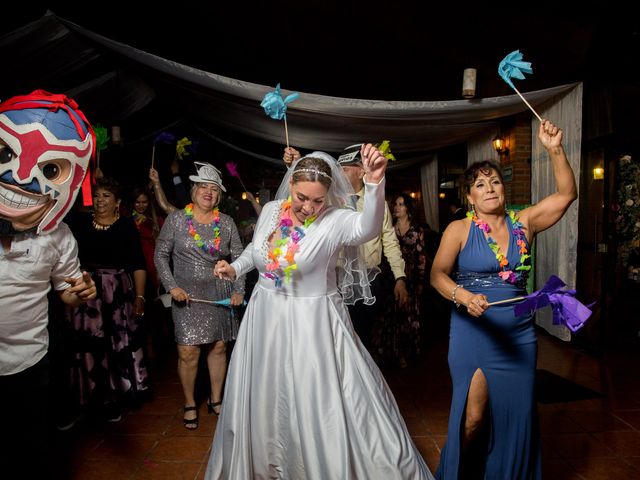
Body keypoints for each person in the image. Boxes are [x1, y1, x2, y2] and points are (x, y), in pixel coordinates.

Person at [207, 145, 433, 479]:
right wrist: (235, 269)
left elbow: (367, 229)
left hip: (313, 324)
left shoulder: (336, 219)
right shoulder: (271, 210)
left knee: (313, 399)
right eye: (301, 198)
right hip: (265, 317)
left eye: (317, 200)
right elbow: (259, 254)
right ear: (291, 185)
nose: (308, 207)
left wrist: (374, 183)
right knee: (266, 393)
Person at [430, 120, 577, 479]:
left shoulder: (523, 222)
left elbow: (566, 195)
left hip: (519, 334)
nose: (490, 188)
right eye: (480, 184)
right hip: (473, 332)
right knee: (474, 417)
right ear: (470, 196)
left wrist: (554, 148)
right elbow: (436, 275)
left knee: (517, 417)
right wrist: (462, 296)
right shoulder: (459, 229)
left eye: (495, 181)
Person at [0, 90, 97, 476]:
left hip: (28, 362)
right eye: (6, 155)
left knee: (29, 451)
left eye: (50, 170)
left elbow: (66, 293)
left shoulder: (60, 239)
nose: (21, 177)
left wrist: (78, 293)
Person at [284, 144, 409, 353]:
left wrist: (400, 277)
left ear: (362, 171)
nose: (339, 172)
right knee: (334, 337)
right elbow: (299, 206)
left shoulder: (377, 204)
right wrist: (294, 166)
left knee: (364, 336)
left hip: (370, 278)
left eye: (345, 168)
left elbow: (389, 240)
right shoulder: (329, 202)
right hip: (335, 278)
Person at [154, 162, 245, 429]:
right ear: (193, 191)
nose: (208, 192)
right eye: (203, 187)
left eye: (214, 189)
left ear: (219, 195)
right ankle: (190, 402)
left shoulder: (226, 223)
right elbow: (160, 255)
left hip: (219, 292)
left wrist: (239, 289)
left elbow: (240, 257)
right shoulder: (177, 220)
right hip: (186, 295)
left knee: (218, 347)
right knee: (187, 351)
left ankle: (216, 399)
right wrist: (172, 287)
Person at [66, 177, 149, 423]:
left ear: (118, 202)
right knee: (89, 345)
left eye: (107, 196)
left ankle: (115, 397)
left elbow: (138, 263)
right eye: (98, 196)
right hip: (87, 293)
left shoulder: (125, 225)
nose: (101, 201)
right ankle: (88, 395)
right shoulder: (79, 222)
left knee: (116, 343)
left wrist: (140, 296)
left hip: (116, 293)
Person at [375, 193, 428, 368]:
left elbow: (421, 258)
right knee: (391, 317)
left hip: (411, 278)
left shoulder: (417, 230)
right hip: (392, 278)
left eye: (401, 204)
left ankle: (407, 353)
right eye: (395, 204)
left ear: (408, 208)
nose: (397, 207)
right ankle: (392, 353)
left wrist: (420, 283)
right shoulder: (389, 227)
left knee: (408, 317)